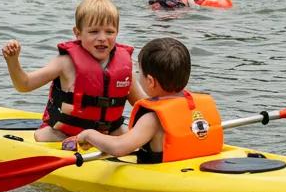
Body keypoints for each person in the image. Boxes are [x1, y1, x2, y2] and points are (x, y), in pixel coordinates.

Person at [2, 0, 145, 143]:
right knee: (45, 135)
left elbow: (144, 104)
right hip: (65, 135)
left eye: (109, 32)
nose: (102, 38)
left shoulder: (125, 66)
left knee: (128, 133)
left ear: (117, 32)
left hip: (107, 134)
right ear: (77, 33)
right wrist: (13, 61)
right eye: (94, 31)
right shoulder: (65, 63)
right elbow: (24, 85)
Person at [65, 38, 223, 164]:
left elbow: (119, 148)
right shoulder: (197, 105)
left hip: (165, 176)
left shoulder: (152, 119)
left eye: (139, 73)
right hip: (194, 164)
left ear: (150, 81)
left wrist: (89, 135)